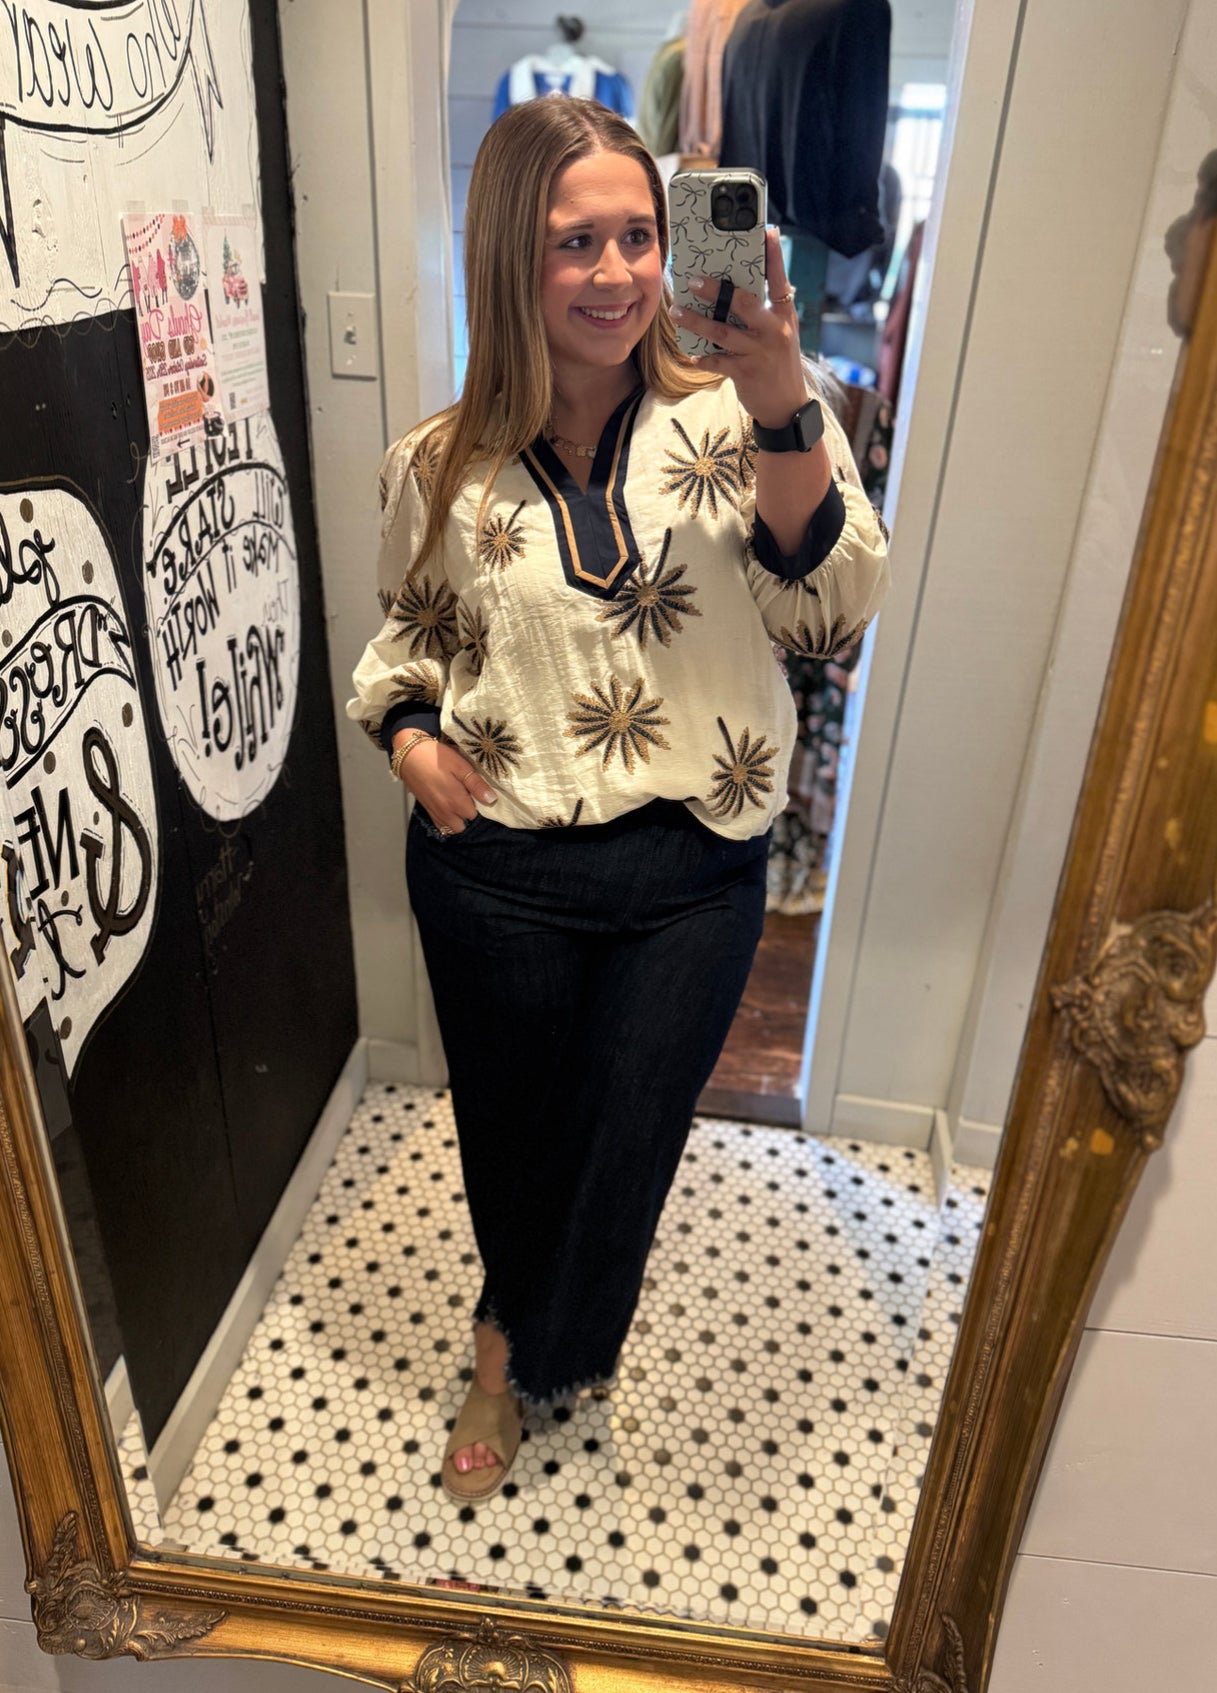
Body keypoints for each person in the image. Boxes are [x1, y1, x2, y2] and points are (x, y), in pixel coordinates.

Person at [348, 96, 889, 1503]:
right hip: (494, 870)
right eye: (571, 241)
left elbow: (831, 609)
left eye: (637, 236)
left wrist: (778, 398)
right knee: (513, 1140)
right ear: (504, 262)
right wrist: (407, 736)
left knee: (626, 1138)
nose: (613, 273)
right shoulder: (436, 462)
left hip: (691, 874)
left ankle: (549, 1339)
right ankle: (501, 1347)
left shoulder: (747, 412)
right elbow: (405, 634)